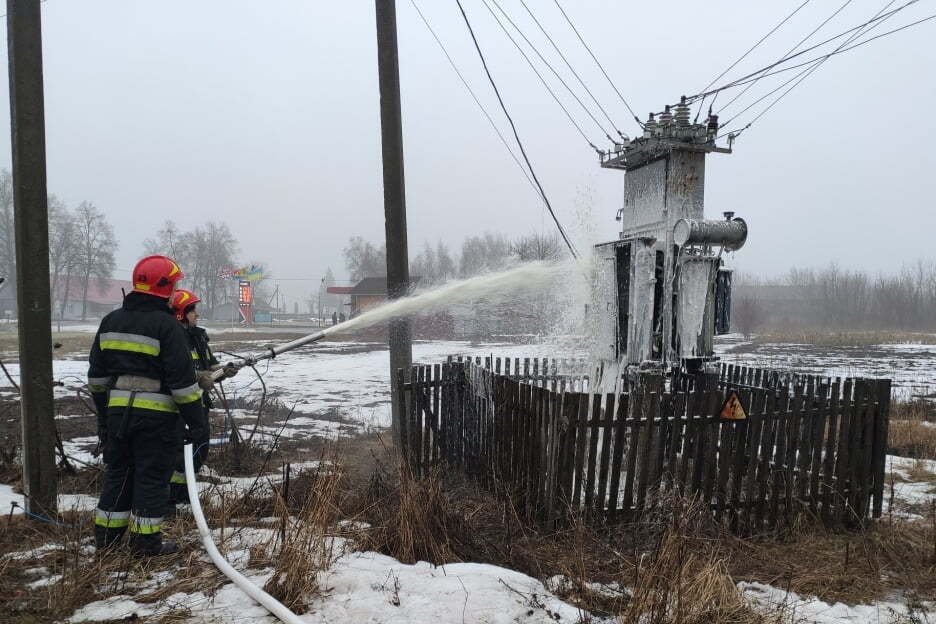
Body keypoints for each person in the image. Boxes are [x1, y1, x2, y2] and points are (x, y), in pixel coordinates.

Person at [87, 255, 204, 556]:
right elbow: (183, 386)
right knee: (151, 478)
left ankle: (106, 541)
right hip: (157, 421)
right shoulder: (168, 327)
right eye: (174, 285)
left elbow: (97, 379)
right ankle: (144, 544)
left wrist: (105, 417)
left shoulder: (111, 321)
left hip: (118, 417)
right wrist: (198, 423)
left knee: (119, 475)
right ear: (165, 288)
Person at [167, 289, 236, 507]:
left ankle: (183, 492)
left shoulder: (198, 337)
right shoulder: (173, 338)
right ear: (180, 314)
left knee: (199, 448)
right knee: (178, 452)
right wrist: (200, 377)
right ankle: (172, 496)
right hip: (177, 407)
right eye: (192, 310)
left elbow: (211, 365)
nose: (197, 314)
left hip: (198, 404)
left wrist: (224, 370)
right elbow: (174, 371)